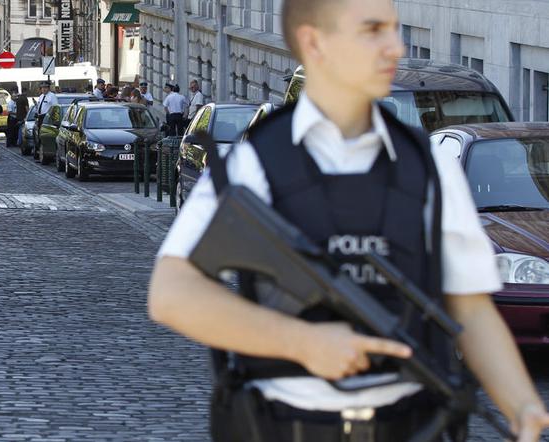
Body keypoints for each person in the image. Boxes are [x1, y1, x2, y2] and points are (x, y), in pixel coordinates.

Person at [147, 0, 549, 440]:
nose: (395, 47)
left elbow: (470, 306)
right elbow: (172, 293)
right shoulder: (254, 162)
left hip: (411, 424)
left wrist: (522, 404)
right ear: (314, 43)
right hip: (285, 425)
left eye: (395, 30)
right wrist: (301, 342)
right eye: (373, 30)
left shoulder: (428, 163)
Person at [33, 81, 58, 154]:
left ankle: (44, 152)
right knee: (39, 136)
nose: (43, 89)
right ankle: (39, 152)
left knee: (44, 136)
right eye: (42, 88)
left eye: (45, 87)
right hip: (40, 118)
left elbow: (55, 108)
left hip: (47, 118)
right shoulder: (41, 96)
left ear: (48, 88)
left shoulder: (52, 96)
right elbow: (39, 107)